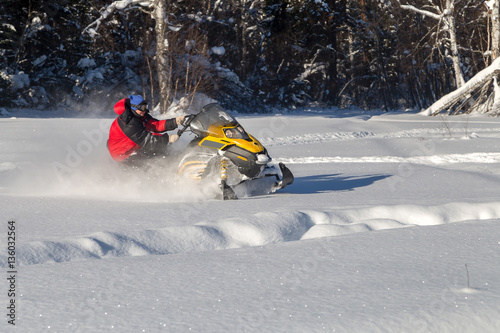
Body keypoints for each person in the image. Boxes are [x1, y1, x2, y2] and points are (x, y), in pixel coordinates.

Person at [107, 95, 184, 166]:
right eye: (142, 107)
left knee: (161, 150)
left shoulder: (140, 115)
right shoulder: (128, 122)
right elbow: (147, 140)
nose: (144, 110)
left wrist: (175, 121)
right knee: (153, 161)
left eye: (145, 106)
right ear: (134, 107)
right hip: (124, 154)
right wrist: (167, 139)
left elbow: (156, 125)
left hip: (135, 145)